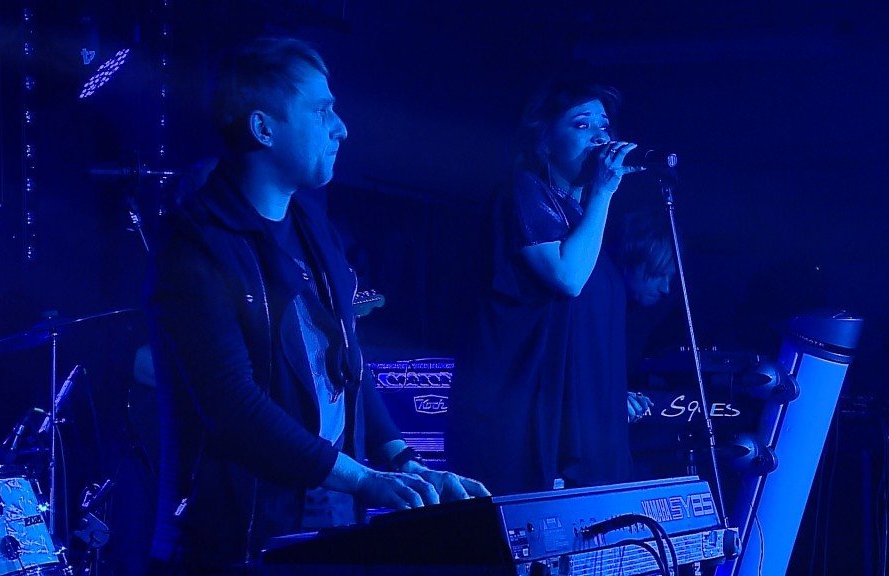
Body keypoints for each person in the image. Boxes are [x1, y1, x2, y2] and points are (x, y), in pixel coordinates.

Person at [143, 36, 487, 574]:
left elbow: (348, 365)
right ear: (263, 129)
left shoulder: (312, 226)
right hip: (237, 544)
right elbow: (234, 410)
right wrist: (364, 479)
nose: (341, 127)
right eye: (322, 110)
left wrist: (402, 460)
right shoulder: (195, 246)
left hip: (324, 523)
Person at [448, 80, 652, 496]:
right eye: (581, 124)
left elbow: (574, 333)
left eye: (604, 125)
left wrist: (605, 393)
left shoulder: (581, 219)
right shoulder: (521, 192)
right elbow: (567, 278)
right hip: (515, 423)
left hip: (564, 423)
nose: (599, 136)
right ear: (544, 141)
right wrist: (604, 191)